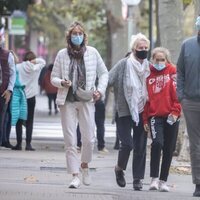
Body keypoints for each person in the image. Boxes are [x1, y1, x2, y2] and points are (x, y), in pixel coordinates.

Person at [51, 21, 108, 189]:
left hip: (86, 99)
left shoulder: (92, 53)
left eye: (80, 33)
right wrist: (62, 82)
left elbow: (104, 73)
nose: (77, 36)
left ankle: (84, 165)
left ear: (84, 36)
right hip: (66, 100)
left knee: (89, 139)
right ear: (69, 37)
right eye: (74, 34)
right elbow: (53, 78)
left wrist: (100, 90)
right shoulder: (62, 54)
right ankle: (74, 175)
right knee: (70, 139)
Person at [109, 33, 150, 191]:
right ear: (134, 48)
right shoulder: (123, 64)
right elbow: (109, 78)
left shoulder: (149, 66)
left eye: (146, 48)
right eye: (141, 48)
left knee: (140, 146)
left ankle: (138, 179)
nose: (143, 50)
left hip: (143, 110)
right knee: (127, 144)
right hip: (124, 110)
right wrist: (96, 92)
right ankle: (119, 169)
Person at [143, 47, 181, 192]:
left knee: (169, 149)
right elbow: (146, 98)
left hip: (172, 115)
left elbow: (179, 93)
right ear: (152, 59)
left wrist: (176, 111)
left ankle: (163, 181)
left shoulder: (173, 71)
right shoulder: (148, 74)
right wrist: (145, 119)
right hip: (155, 116)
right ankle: (154, 178)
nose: (159, 62)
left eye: (162, 60)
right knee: (157, 143)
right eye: (157, 60)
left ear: (167, 60)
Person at [177, 15, 200, 197]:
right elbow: (180, 71)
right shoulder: (187, 45)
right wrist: (181, 96)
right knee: (195, 145)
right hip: (191, 102)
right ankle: (198, 183)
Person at [12, 51, 46, 151]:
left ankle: (18, 144)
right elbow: (43, 62)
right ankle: (28, 144)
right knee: (30, 120)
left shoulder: (18, 67)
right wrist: (34, 61)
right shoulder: (36, 68)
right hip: (31, 97)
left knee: (19, 120)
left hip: (20, 96)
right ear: (33, 59)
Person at [0, 25, 16, 147]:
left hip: (3, 92)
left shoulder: (7, 55)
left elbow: (12, 73)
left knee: (2, 117)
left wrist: (9, 90)